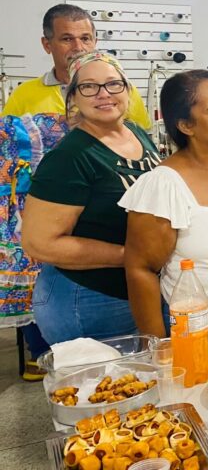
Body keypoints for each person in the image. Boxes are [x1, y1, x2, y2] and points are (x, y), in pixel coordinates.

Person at [22, 52, 160, 345]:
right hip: (87, 300)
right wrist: (132, 256)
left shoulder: (135, 133)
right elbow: (39, 243)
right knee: (105, 388)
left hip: (136, 288)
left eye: (113, 84)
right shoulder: (70, 157)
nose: (103, 94)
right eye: (89, 87)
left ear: (127, 89)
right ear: (73, 96)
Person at [120, 70, 208, 337]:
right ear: (186, 126)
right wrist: (159, 347)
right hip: (195, 330)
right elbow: (141, 270)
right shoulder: (164, 186)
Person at [3, 4, 151, 127]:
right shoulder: (23, 95)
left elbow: (143, 141)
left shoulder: (122, 90)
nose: (78, 47)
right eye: (67, 39)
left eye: (85, 38)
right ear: (47, 45)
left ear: (95, 42)